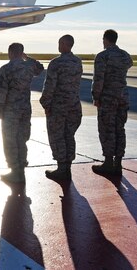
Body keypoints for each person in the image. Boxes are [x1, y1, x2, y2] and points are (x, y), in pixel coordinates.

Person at [0, 43, 44, 183]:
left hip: (10, 111)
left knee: (10, 140)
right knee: (22, 139)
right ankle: (21, 167)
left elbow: (1, 92)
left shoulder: (6, 69)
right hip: (25, 109)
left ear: (10, 52)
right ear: (21, 52)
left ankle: (15, 171)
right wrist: (27, 58)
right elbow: (40, 68)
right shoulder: (28, 66)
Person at [40, 35, 83, 180]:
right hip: (74, 105)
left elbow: (50, 86)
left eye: (60, 43)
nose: (58, 45)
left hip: (59, 106)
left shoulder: (56, 63)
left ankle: (61, 168)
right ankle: (67, 167)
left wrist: (46, 103)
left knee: (57, 136)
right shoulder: (78, 62)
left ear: (65, 44)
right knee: (69, 136)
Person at [91, 29, 133, 176]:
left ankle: (109, 163)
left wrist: (96, 96)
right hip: (122, 97)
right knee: (119, 129)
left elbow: (99, 79)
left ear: (105, 39)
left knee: (107, 129)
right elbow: (129, 64)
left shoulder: (103, 56)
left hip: (108, 98)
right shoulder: (125, 55)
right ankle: (118, 163)